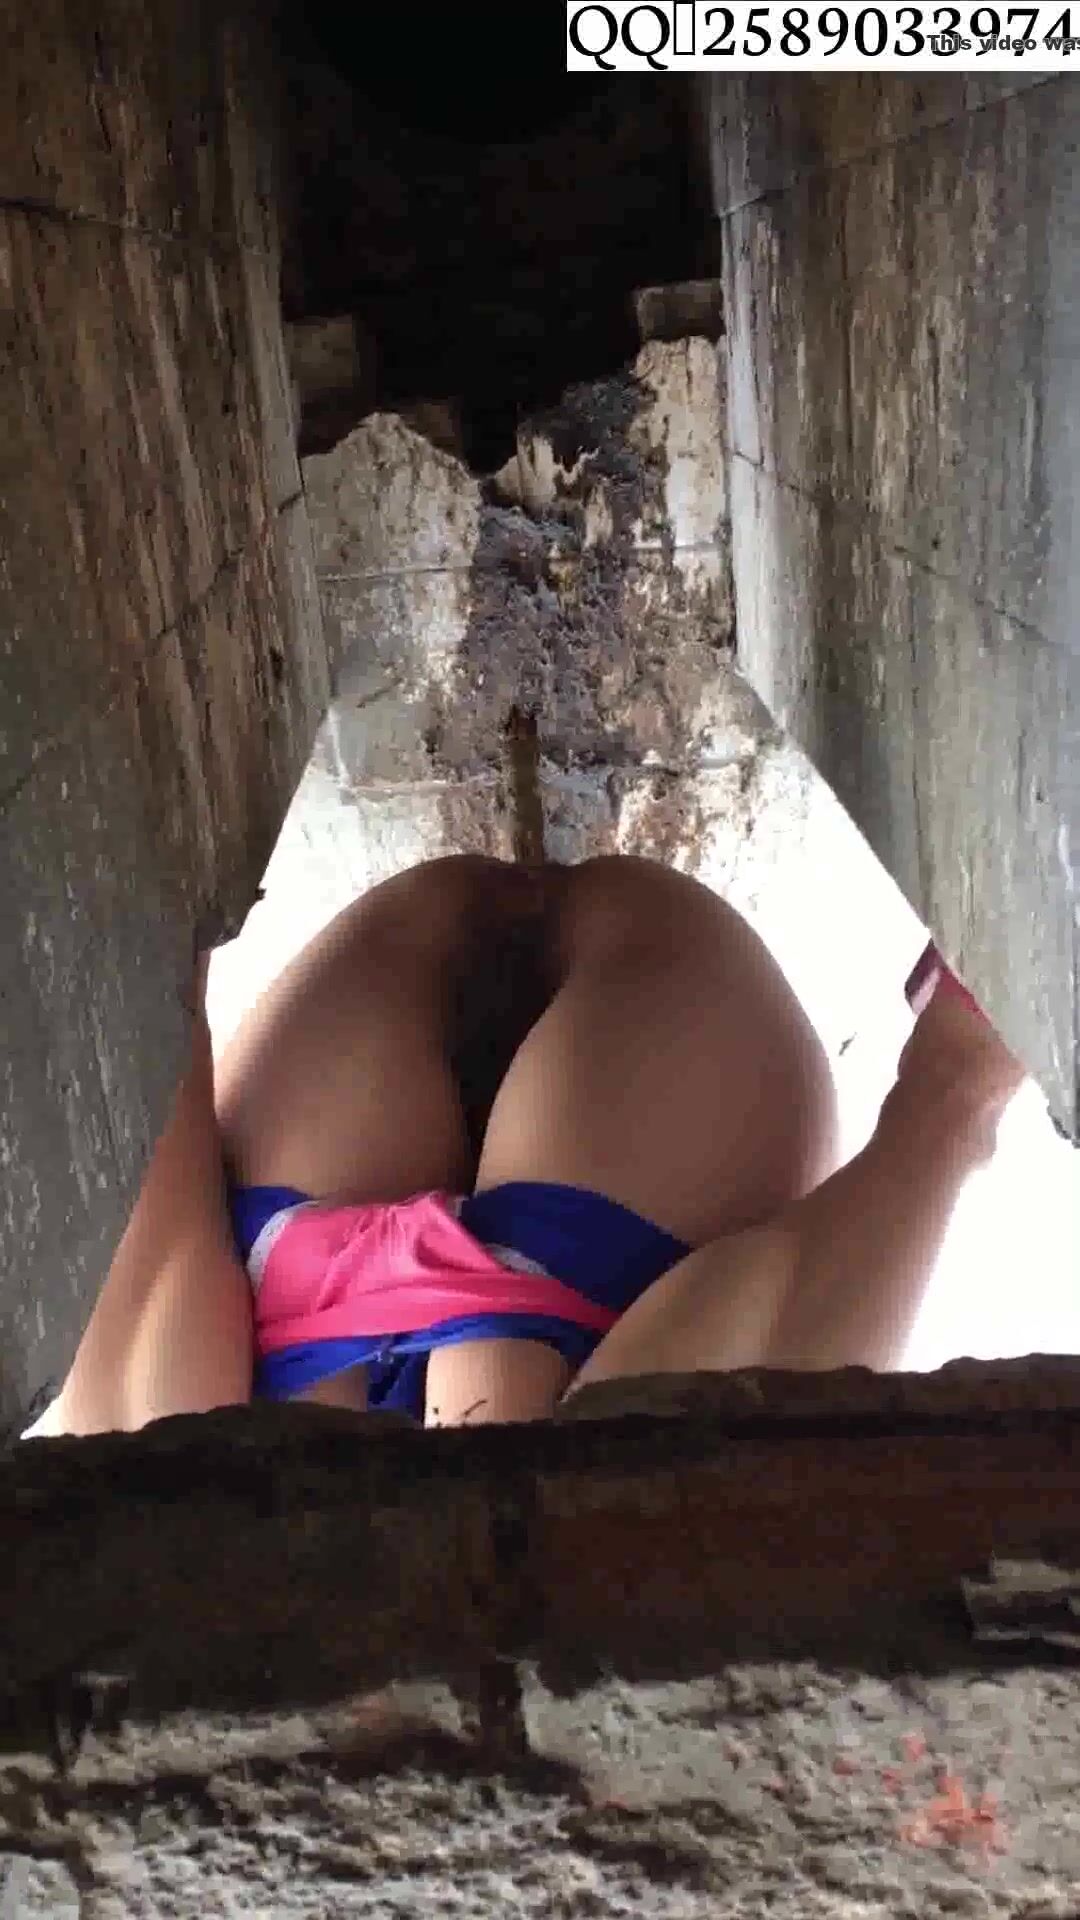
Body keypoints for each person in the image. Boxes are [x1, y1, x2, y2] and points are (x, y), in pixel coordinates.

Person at [32, 854, 1026, 1438]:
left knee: (149, 1447)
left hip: (311, 1294)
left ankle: (956, 1085)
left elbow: (146, 1229)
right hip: (631, 1253)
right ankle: (959, 1074)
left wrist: (139, 931)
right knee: (621, 1504)